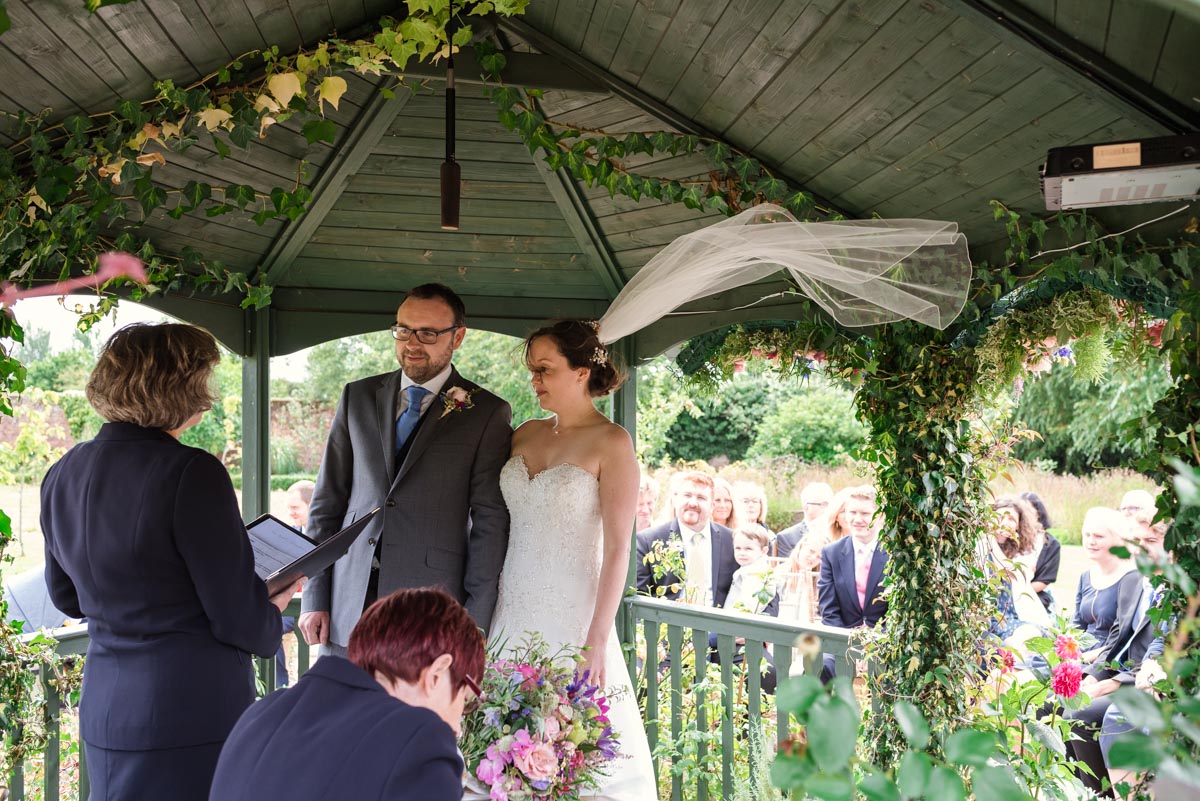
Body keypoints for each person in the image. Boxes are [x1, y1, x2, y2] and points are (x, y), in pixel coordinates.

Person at [40, 323, 299, 801]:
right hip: (186, 713)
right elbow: (238, 618)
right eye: (203, 381)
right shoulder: (192, 472)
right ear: (180, 388)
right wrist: (271, 605)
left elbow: (67, 597)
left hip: (106, 709)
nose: (209, 395)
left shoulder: (62, 471)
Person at [490, 319, 656, 799]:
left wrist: (597, 640)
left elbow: (620, 548)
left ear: (582, 371)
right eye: (531, 370)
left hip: (574, 617)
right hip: (510, 609)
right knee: (500, 745)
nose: (534, 380)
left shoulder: (612, 443)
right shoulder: (522, 435)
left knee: (575, 752)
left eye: (545, 369)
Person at [299, 284, 512, 655]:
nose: (412, 342)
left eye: (428, 333)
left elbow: (490, 523)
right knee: (342, 712)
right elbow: (327, 503)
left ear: (457, 337)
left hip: (429, 608)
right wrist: (314, 594)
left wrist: (474, 619)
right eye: (403, 330)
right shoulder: (357, 397)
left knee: (408, 714)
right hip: (347, 602)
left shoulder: (486, 413)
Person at [209, 588, 483, 801]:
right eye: (466, 699)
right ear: (438, 672)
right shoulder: (420, 739)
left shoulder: (260, 714)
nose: (458, 728)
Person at [636, 470, 738, 609]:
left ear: (712, 506)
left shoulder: (732, 541)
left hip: (718, 628)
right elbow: (639, 596)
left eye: (701, 497)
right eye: (687, 495)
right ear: (675, 499)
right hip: (667, 626)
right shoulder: (648, 541)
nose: (693, 503)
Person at [816, 485, 887, 679]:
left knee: (890, 673)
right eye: (852, 512)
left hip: (885, 640)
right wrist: (849, 648)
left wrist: (874, 644)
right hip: (842, 637)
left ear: (880, 516)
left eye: (865, 513)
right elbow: (828, 610)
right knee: (819, 666)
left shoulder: (896, 554)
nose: (857, 519)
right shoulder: (832, 553)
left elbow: (898, 611)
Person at [1072, 507, 1140, 661]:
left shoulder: (1131, 578)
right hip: (1079, 650)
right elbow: (1076, 625)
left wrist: (1082, 659)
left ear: (1119, 539)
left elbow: (1124, 637)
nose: (1091, 541)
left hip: (1108, 657)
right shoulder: (1086, 576)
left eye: (1099, 536)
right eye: (1087, 535)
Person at [986, 496, 1050, 648]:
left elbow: (1015, 573)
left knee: (1031, 636)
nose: (1005, 522)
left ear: (1019, 525)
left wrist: (990, 539)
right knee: (1015, 645)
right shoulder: (980, 545)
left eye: (1011, 519)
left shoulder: (1019, 549)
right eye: (999, 517)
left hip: (1010, 616)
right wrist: (988, 537)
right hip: (986, 616)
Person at [275, 479, 315, 686]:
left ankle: (280, 684)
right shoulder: (289, 534)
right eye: (288, 508)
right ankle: (279, 684)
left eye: (295, 507)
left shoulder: (325, 537)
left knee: (274, 623)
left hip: (311, 605)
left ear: (312, 505)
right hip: (290, 599)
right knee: (270, 623)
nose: (290, 512)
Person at [1020, 491, 1061, 612]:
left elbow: (1043, 581)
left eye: (1028, 513)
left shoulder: (1051, 544)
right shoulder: (1010, 539)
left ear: (1038, 514)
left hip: (1034, 594)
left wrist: (1019, 592)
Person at [774, 482, 834, 558]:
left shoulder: (839, 533)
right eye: (824, 504)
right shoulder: (787, 537)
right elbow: (787, 568)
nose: (829, 509)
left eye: (831, 504)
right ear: (806, 508)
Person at [726, 526, 777, 615]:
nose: (742, 553)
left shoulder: (756, 572)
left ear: (764, 551)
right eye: (738, 548)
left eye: (748, 549)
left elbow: (748, 605)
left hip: (738, 622)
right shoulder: (749, 567)